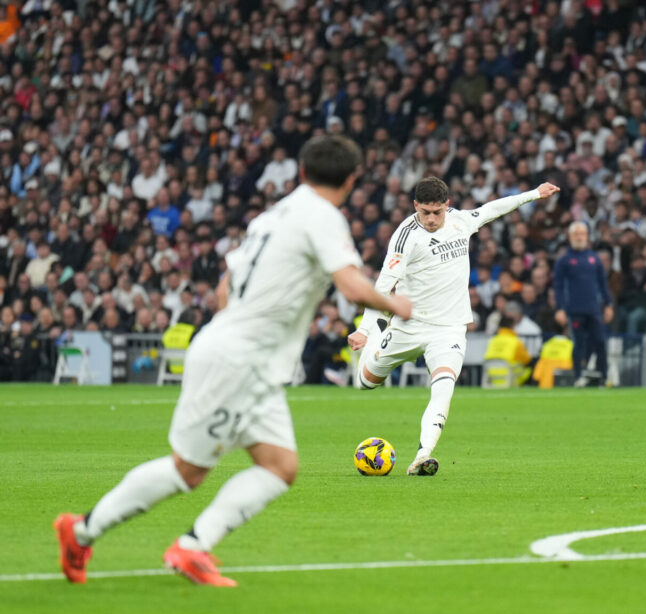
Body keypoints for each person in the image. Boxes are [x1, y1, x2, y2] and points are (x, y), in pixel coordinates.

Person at [53, 135, 413, 587]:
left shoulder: (272, 216)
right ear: (352, 180)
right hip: (239, 360)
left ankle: (191, 548)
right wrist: (398, 305)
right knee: (188, 470)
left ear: (301, 172)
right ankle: (82, 531)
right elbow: (352, 286)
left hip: (246, 358)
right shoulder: (322, 217)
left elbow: (225, 287)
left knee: (280, 467)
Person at [346, 176, 560, 475]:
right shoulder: (406, 237)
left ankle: (423, 456)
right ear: (415, 206)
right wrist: (365, 331)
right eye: (425, 213)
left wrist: (534, 194)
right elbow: (384, 285)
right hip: (408, 327)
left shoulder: (461, 221)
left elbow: (492, 209)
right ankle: (374, 348)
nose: (431, 219)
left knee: (444, 386)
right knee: (366, 382)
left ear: (447, 205)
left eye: (437, 212)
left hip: (448, 329)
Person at [554, 222, 614, 387]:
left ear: (587, 236)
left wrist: (608, 304)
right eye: (576, 234)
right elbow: (558, 286)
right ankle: (578, 376)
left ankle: (604, 375)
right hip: (574, 309)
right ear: (570, 237)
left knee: (600, 342)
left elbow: (602, 283)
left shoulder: (594, 258)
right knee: (579, 343)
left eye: (582, 234)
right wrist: (560, 308)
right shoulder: (564, 260)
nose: (580, 237)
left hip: (593, 309)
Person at [483, 316, 532, 387]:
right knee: (528, 369)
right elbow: (526, 360)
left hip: (492, 375)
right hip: (510, 376)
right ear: (512, 326)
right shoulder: (515, 341)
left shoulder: (492, 340)